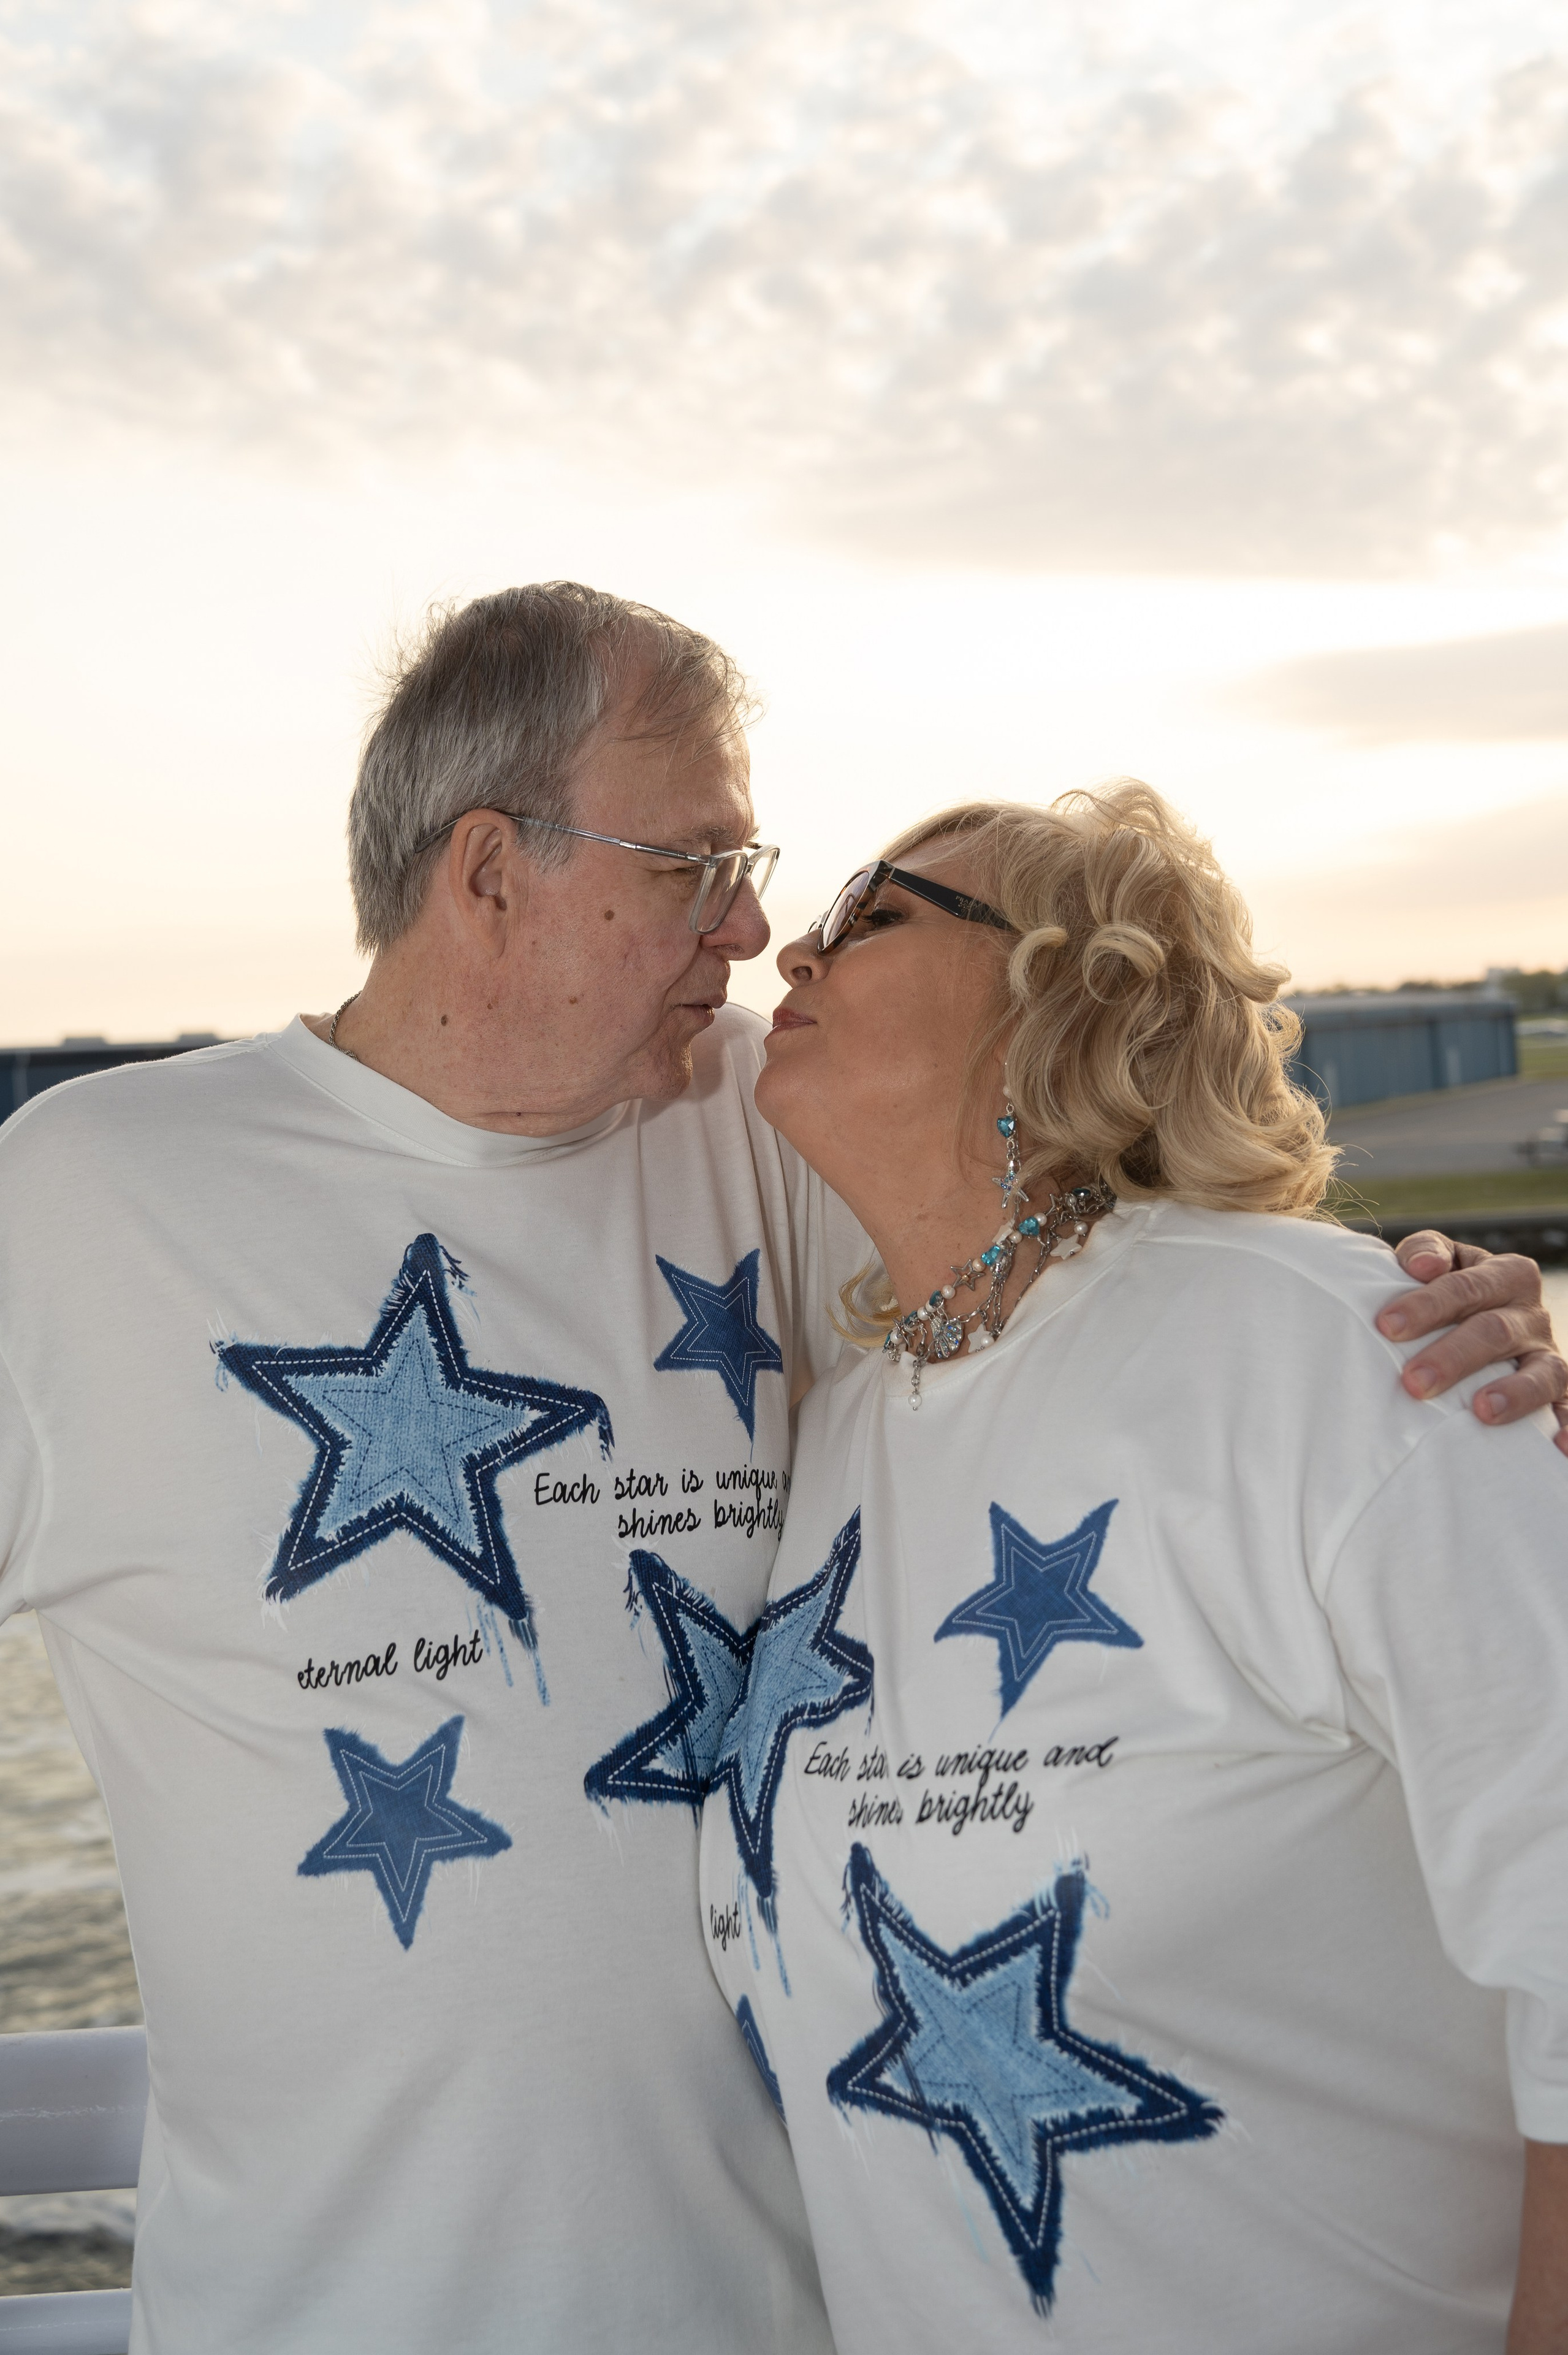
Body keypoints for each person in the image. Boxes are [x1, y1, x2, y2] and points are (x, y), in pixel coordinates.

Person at [0, 586, 1553, 2353]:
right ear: (490, 872)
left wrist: (1428, 1320)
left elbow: (1093, 1258)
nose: (754, 931)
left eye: (782, 878)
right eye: (694, 867)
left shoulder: (765, 1122)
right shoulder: (84, 1201)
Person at [701, 781, 1568, 2355]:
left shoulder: (1347, 1359)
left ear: (1066, 992)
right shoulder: (838, 1426)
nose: (793, 956)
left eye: (870, 913)